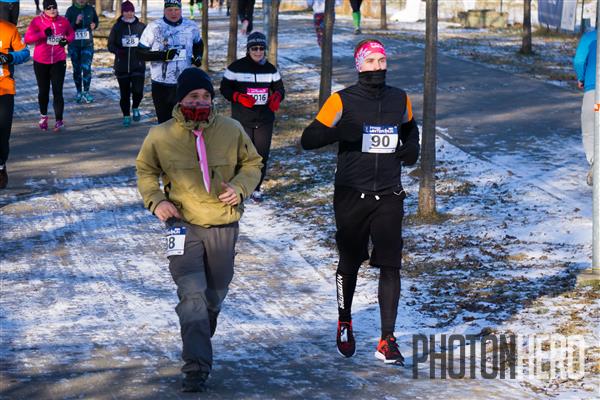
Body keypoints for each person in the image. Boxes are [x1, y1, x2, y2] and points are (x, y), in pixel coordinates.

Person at [136, 67, 262, 393]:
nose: (201, 101)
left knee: (214, 295)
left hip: (223, 223)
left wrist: (240, 187)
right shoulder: (160, 135)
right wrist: (156, 201)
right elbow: (146, 171)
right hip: (182, 226)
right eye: (194, 96)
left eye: (206, 96)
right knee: (191, 294)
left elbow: (253, 163)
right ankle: (196, 367)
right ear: (181, 99)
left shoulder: (231, 129)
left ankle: (202, 329)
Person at [301, 39, 420, 364]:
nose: (377, 66)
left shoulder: (399, 98)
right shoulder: (341, 100)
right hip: (352, 194)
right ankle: (344, 321)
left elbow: (410, 130)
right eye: (371, 61)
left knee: (391, 264)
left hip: (390, 194)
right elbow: (308, 139)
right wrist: (341, 132)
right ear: (359, 66)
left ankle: (387, 339)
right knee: (350, 261)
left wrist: (412, 148)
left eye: (382, 60)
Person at [220, 31, 285, 202]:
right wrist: (237, 97)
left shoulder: (271, 69)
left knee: (261, 156)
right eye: (254, 48)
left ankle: (256, 188)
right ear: (248, 49)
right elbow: (224, 88)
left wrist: (277, 97)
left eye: (261, 48)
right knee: (243, 155)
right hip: (242, 119)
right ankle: (239, 186)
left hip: (264, 119)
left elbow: (280, 88)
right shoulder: (236, 67)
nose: (258, 52)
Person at [137, 0, 203, 123]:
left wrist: (198, 57)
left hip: (184, 82)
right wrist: (163, 55)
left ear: (181, 10)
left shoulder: (191, 26)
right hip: (161, 84)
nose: (173, 13)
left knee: (185, 122)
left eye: (176, 10)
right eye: (170, 10)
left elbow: (198, 44)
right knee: (165, 122)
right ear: (164, 10)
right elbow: (140, 53)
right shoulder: (154, 27)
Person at [25, 0, 74, 132]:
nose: (52, 10)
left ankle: (59, 120)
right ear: (44, 9)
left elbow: (71, 34)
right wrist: (42, 34)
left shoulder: (63, 21)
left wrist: (65, 41)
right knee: (43, 91)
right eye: (49, 8)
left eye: (54, 7)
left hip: (58, 61)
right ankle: (43, 117)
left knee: (58, 91)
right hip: (41, 62)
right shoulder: (37, 21)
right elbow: (27, 39)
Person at [0, 16, 30, 189]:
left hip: (4, 89)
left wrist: (9, 57)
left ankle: (1, 164)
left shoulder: (8, 28)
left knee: (3, 134)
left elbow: (25, 53)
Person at [108, 0, 146, 127]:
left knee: (138, 91)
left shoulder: (141, 27)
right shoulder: (117, 27)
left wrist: (144, 51)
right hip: (122, 66)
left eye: (131, 11)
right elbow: (110, 45)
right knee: (124, 94)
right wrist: (118, 51)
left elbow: (148, 42)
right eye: (126, 11)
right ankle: (126, 115)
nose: (129, 13)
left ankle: (135, 107)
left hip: (138, 65)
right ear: (122, 12)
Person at [573, 28, 597, 186]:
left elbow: (579, 61)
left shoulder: (590, 37)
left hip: (594, 93)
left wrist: (581, 77)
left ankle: (595, 162)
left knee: (590, 126)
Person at [65, 0, 98, 103]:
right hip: (74, 45)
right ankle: (79, 91)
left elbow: (96, 21)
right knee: (77, 69)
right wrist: (75, 22)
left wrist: (94, 25)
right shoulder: (70, 10)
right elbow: (66, 29)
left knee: (87, 68)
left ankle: (86, 92)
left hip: (87, 45)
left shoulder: (90, 9)